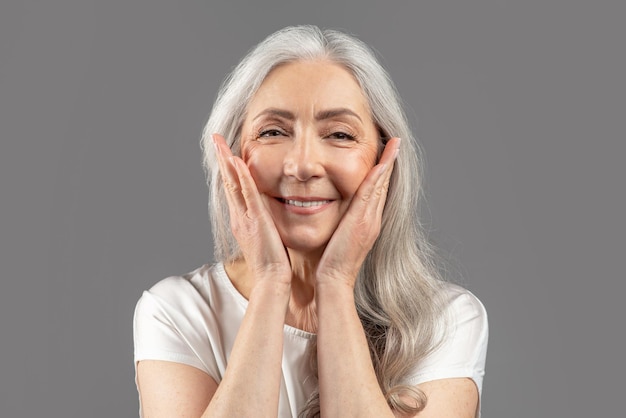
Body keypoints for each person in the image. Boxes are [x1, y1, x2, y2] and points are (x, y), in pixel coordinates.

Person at [133, 25, 488, 418]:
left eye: (339, 134)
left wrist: (334, 284)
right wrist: (271, 280)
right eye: (272, 131)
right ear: (231, 160)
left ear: (383, 161)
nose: (302, 165)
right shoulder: (176, 312)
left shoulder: (446, 321)